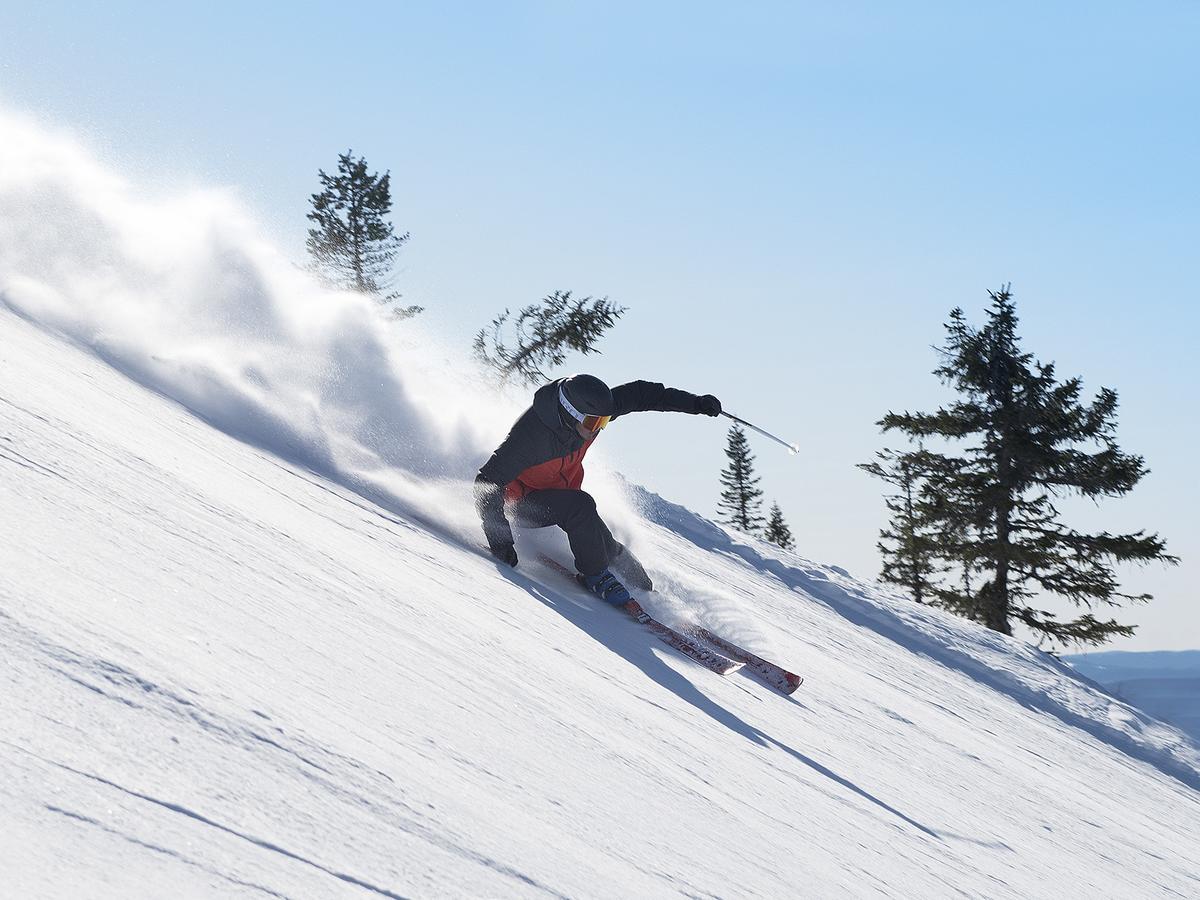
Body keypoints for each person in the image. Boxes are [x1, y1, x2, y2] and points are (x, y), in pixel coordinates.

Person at [474, 374, 721, 605]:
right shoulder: (530, 437)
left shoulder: (588, 415)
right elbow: (486, 482)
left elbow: (644, 395)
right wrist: (501, 541)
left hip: (562, 496)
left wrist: (696, 404)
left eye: (603, 421)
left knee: (606, 546)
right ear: (571, 414)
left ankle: (645, 592)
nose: (598, 428)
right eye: (594, 422)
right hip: (521, 505)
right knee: (580, 506)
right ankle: (594, 576)